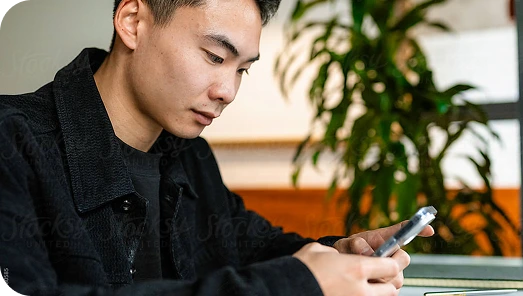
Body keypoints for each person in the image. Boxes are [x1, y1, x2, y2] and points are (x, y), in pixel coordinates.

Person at [0, 0, 434, 295]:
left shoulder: (191, 157)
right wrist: (294, 285)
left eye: (243, 69)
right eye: (214, 56)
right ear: (132, 21)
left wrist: (340, 254)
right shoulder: (12, 141)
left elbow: (255, 247)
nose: (228, 91)